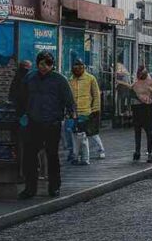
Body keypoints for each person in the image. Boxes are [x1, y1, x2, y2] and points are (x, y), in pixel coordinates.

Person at [19, 52, 75, 199]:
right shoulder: (30, 78)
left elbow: (69, 99)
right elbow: (21, 98)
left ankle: (54, 187)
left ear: (52, 65)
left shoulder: (60, 80)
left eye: (47, 64)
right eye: (41, 64)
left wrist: (71, 115)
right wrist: (22, 114)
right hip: (33, 122)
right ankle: (30, 188)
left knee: (52, 155)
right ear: (37, 64)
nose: (44, 67)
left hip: (52, 122)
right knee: (30, 156)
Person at [69, 59, 104, 165]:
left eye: (79, 67)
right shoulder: (71, 80)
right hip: (74, 112)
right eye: (75, 67)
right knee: (75, 136)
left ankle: (85, 158)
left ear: (83, 67)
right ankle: (76, 156)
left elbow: (96, 95)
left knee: (83, 135)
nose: (77, 69)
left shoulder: (90, 78)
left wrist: (95, 110)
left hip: (86, 111)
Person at [130, 67, 152, 163]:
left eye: (140, 74)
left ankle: (147, 153)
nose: (139, 76)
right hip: (140, 109)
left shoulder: (151, 82)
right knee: (140, 131)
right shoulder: (137, 83)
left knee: (146, 132)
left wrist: (150, 96)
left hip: (146, 108)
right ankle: (139, 152)